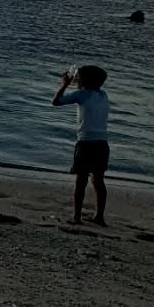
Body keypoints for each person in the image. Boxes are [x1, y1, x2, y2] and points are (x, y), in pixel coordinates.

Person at [52, 64, 110, 225]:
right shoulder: (103, 95)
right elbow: (85, 95)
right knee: (98, 180)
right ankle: (99, 216)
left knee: (81, 180)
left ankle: (77, 217)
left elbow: (56, 102)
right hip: (102, 143)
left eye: (79, 76)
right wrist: (76, 82)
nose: (77, 78)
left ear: (84, 80)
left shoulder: (81, 94)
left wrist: (64, 84)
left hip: (86, 143)